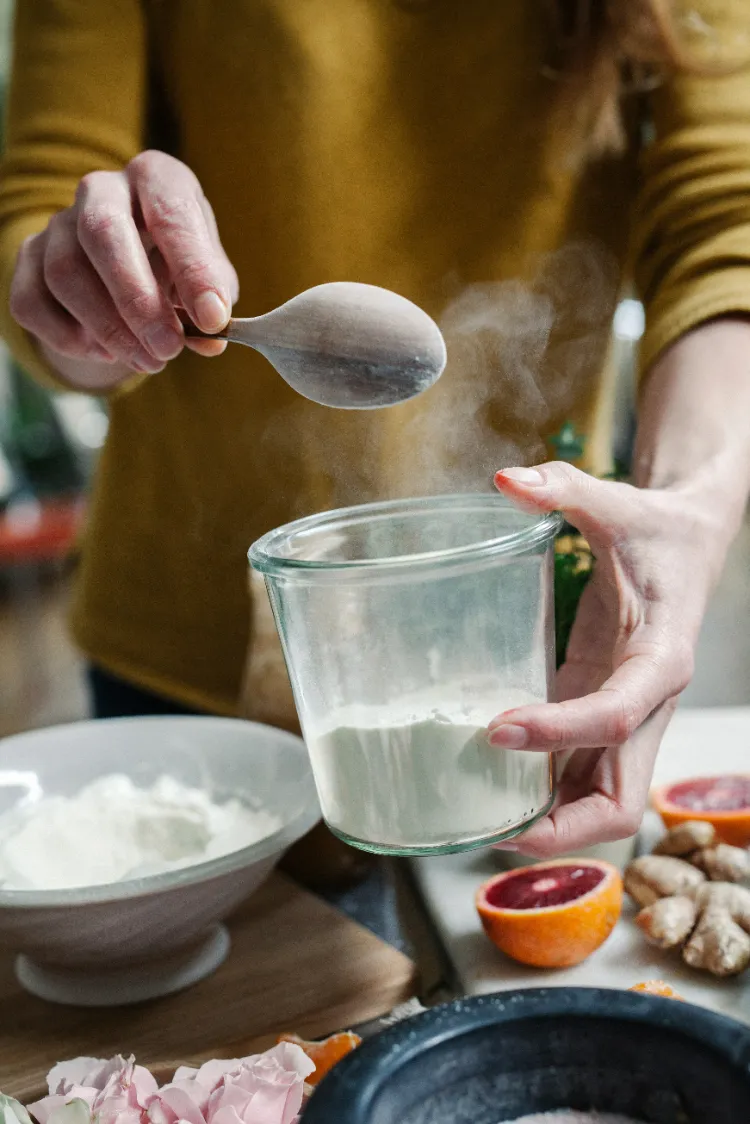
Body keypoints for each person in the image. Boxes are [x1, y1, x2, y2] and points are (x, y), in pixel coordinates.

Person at [1, 0, 750, 867]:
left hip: (521, 654)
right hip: (185, 644)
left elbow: (724, 221)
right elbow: (45, 187)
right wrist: (100, 296)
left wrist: (689, 503)